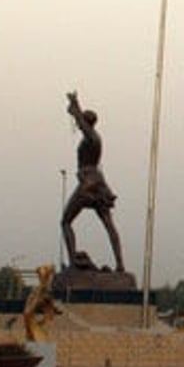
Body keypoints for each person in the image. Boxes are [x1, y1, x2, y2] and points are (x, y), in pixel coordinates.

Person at [61, 91, 125, 271]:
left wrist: (74, 105)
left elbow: (81, 123)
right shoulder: (93, 137)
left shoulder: (92, 138)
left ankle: (73, 263)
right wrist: (76, 106)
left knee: (65, 221)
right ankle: (120, 264)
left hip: (89, 182)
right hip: (99, 183)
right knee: (109, 225)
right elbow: (80, 121)